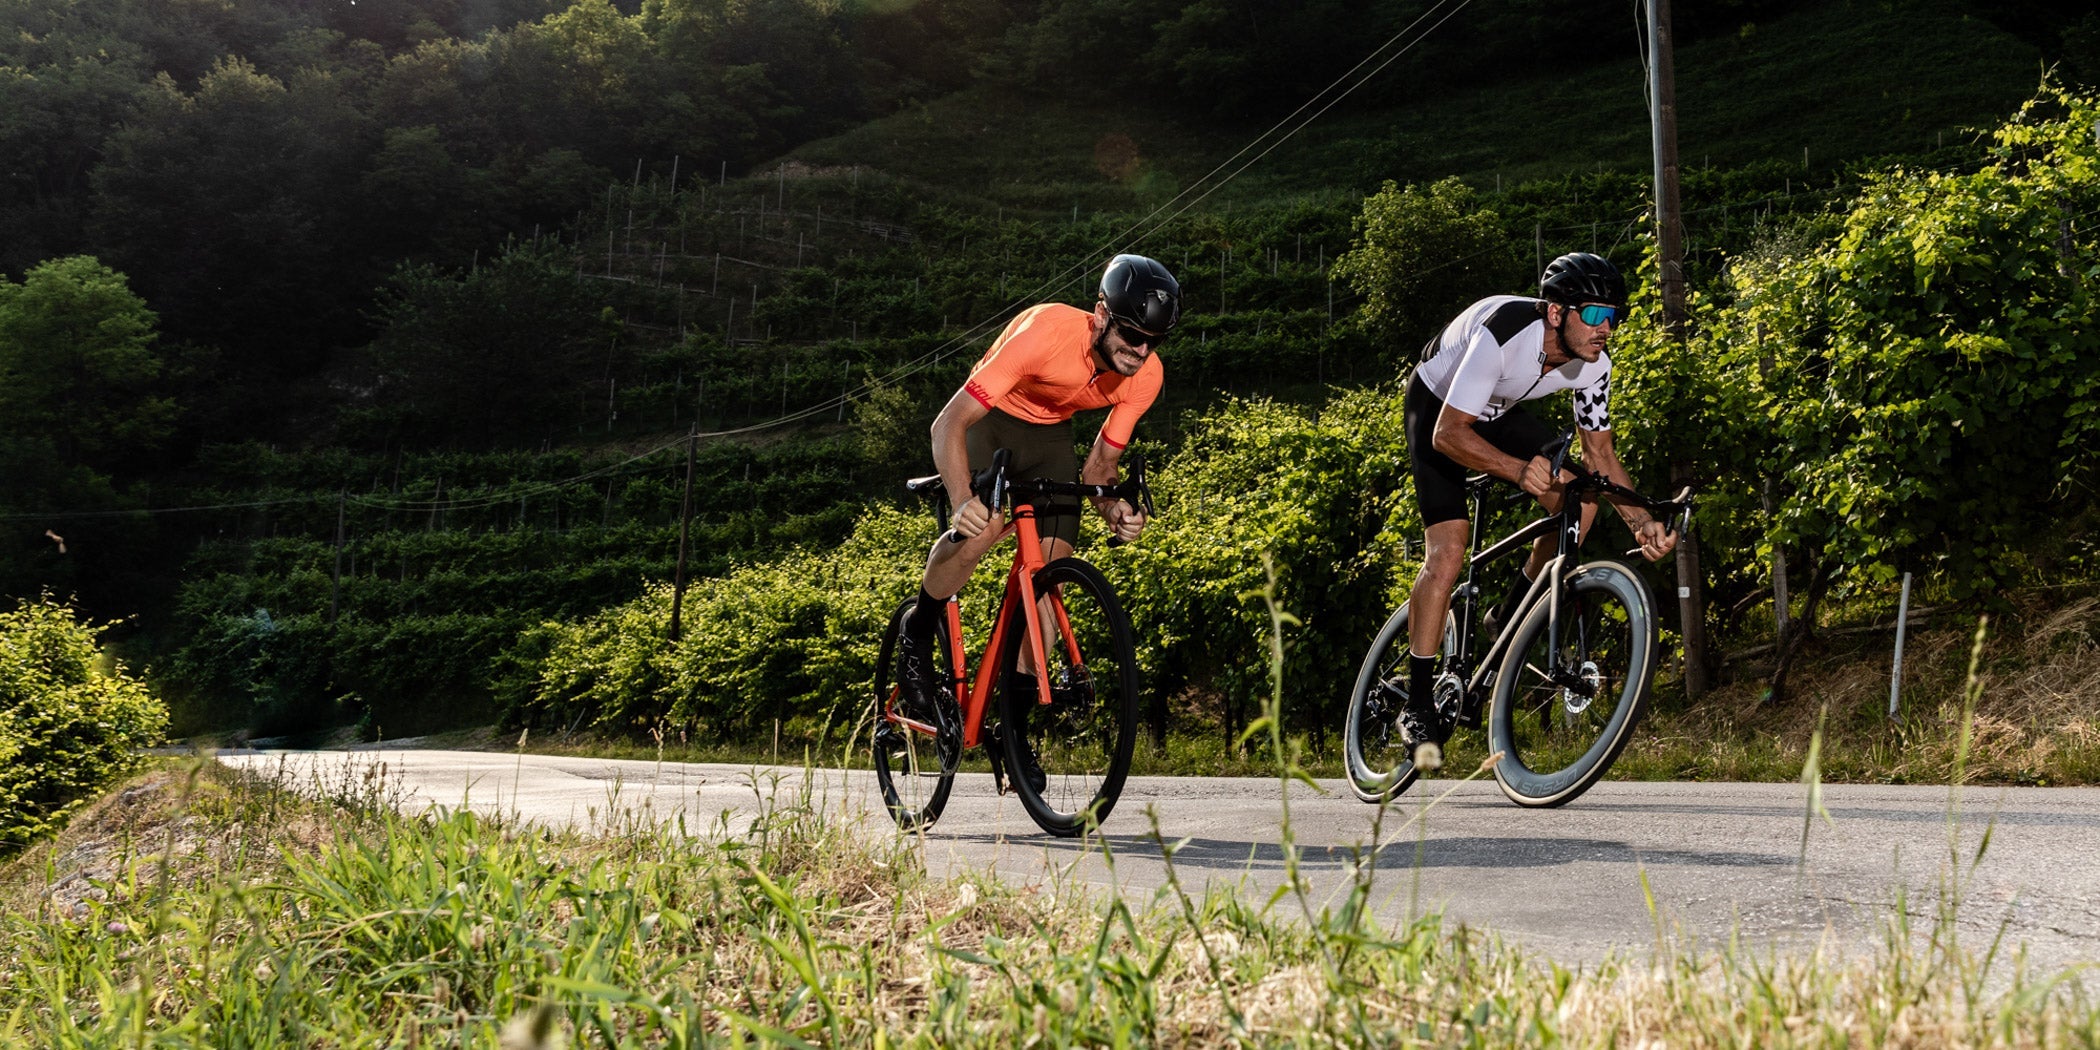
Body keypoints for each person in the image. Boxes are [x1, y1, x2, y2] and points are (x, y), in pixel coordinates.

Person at [893, 253, 1179, 763]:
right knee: (985, 526)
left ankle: (1014, 731)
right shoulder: (1043, 333)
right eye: (1131, 334)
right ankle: (917, 634)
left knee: (1047, 582)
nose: (1140, 351)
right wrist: (963, 502)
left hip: (1052, 435)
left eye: (1152, 341)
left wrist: (1111, 507)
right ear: (1100, 315)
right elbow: (947, 425)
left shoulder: (1145, 376)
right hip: (993, 420)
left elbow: (1099, 469)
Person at [1397, 251, 1678, 747]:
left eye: (1613, 317)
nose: (1605, 327)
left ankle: (1508, 613)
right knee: (1448, 553)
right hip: (1439, 406)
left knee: (1583, 500)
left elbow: (1600, 454)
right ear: (1555, 312)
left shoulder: (1593, 367)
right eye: (1593, 314)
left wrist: (1642, 521)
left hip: (1497, 408)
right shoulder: (1504, 331)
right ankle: (1417, 705)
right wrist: (1513, 469)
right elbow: (1448, 434)